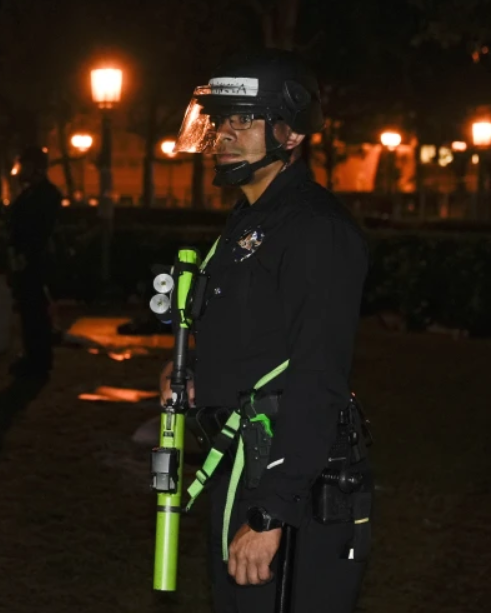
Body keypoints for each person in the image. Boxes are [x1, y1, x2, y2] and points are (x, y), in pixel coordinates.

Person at [160, 50, 372, 612]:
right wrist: (198, 373)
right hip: (243, 462)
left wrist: (271, 511)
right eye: (220, 120)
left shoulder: (314, 230)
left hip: (289, 480)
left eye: (242, 120)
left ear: (291, 132)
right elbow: (256, 333)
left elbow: (318, 374)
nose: (224, 134)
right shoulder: (252, 218)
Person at [6, 146, 62, 378]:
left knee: (36, 309)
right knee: (29, 310)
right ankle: (33, 354)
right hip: (27, 260)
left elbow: (40, 229)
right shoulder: (33, 193)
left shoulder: (46, 194)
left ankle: (39, 358)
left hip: (36, 261)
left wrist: (25, 255)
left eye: (26, 165)